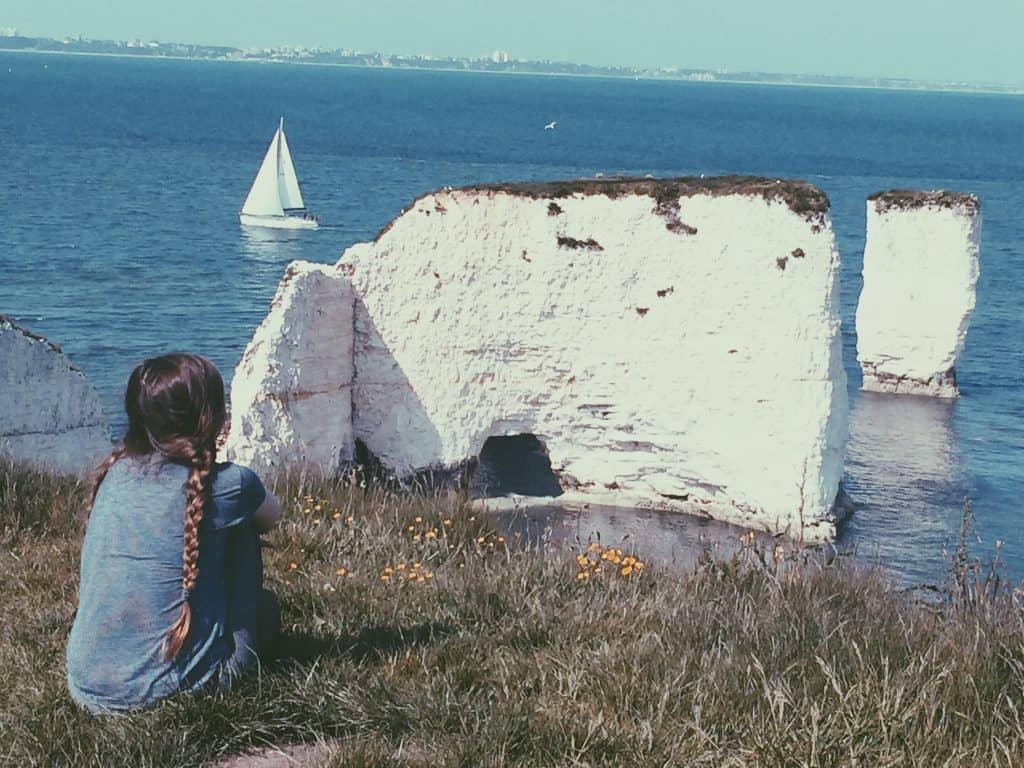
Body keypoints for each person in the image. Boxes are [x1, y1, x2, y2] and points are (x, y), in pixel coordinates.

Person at [66, 353, 282, 713]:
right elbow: (271, 517)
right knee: (245, 538)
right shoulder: (230, 484)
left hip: (87, 683)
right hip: (169, 695)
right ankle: (225, 653)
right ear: (209, 416)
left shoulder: (114, 473)